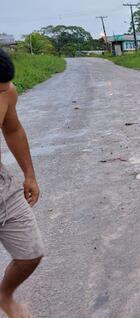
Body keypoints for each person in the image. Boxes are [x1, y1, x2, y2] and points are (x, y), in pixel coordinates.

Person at [0, 49, 45, 318]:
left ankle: (4, 294)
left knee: (30, 253)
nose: (4, 90)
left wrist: (29, 174)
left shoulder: (6, 91)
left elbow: (12, 128)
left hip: (2, 188)